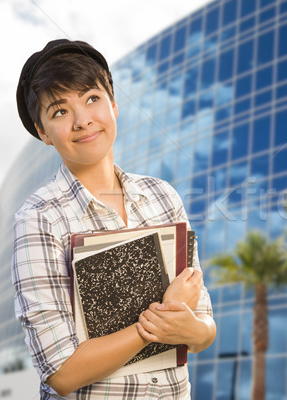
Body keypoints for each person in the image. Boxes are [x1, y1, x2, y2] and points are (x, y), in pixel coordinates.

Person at [12, 39, 216, 399]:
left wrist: (192, 329)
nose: (83, 120)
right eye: (60, 111)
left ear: (114, 104)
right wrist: (160, 317)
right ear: (42, 132)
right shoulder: (39, 218)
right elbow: (61, 372)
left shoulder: (163, 196)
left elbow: (203, 330)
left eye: (92, 98)